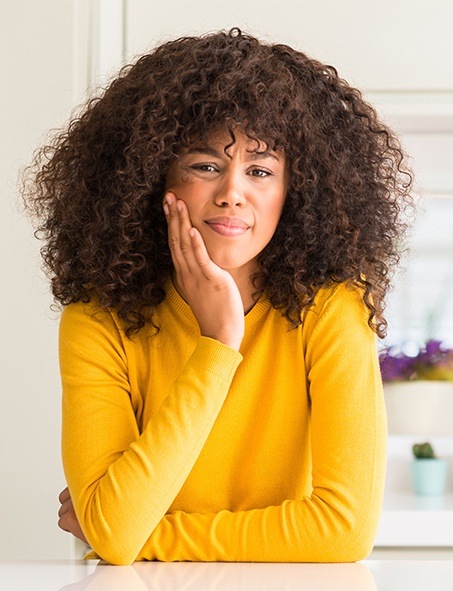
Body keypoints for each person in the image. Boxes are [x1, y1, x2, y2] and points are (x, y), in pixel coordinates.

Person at [23, 28, 413, 565]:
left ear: (293, 192)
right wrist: (218, 345)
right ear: (149, 175)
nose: (232, 192)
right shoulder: (98, 320)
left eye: (260, 171)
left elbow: (343, 531)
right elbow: (113, 537)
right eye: (205, 166)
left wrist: (143, 535)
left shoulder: (333, 310)